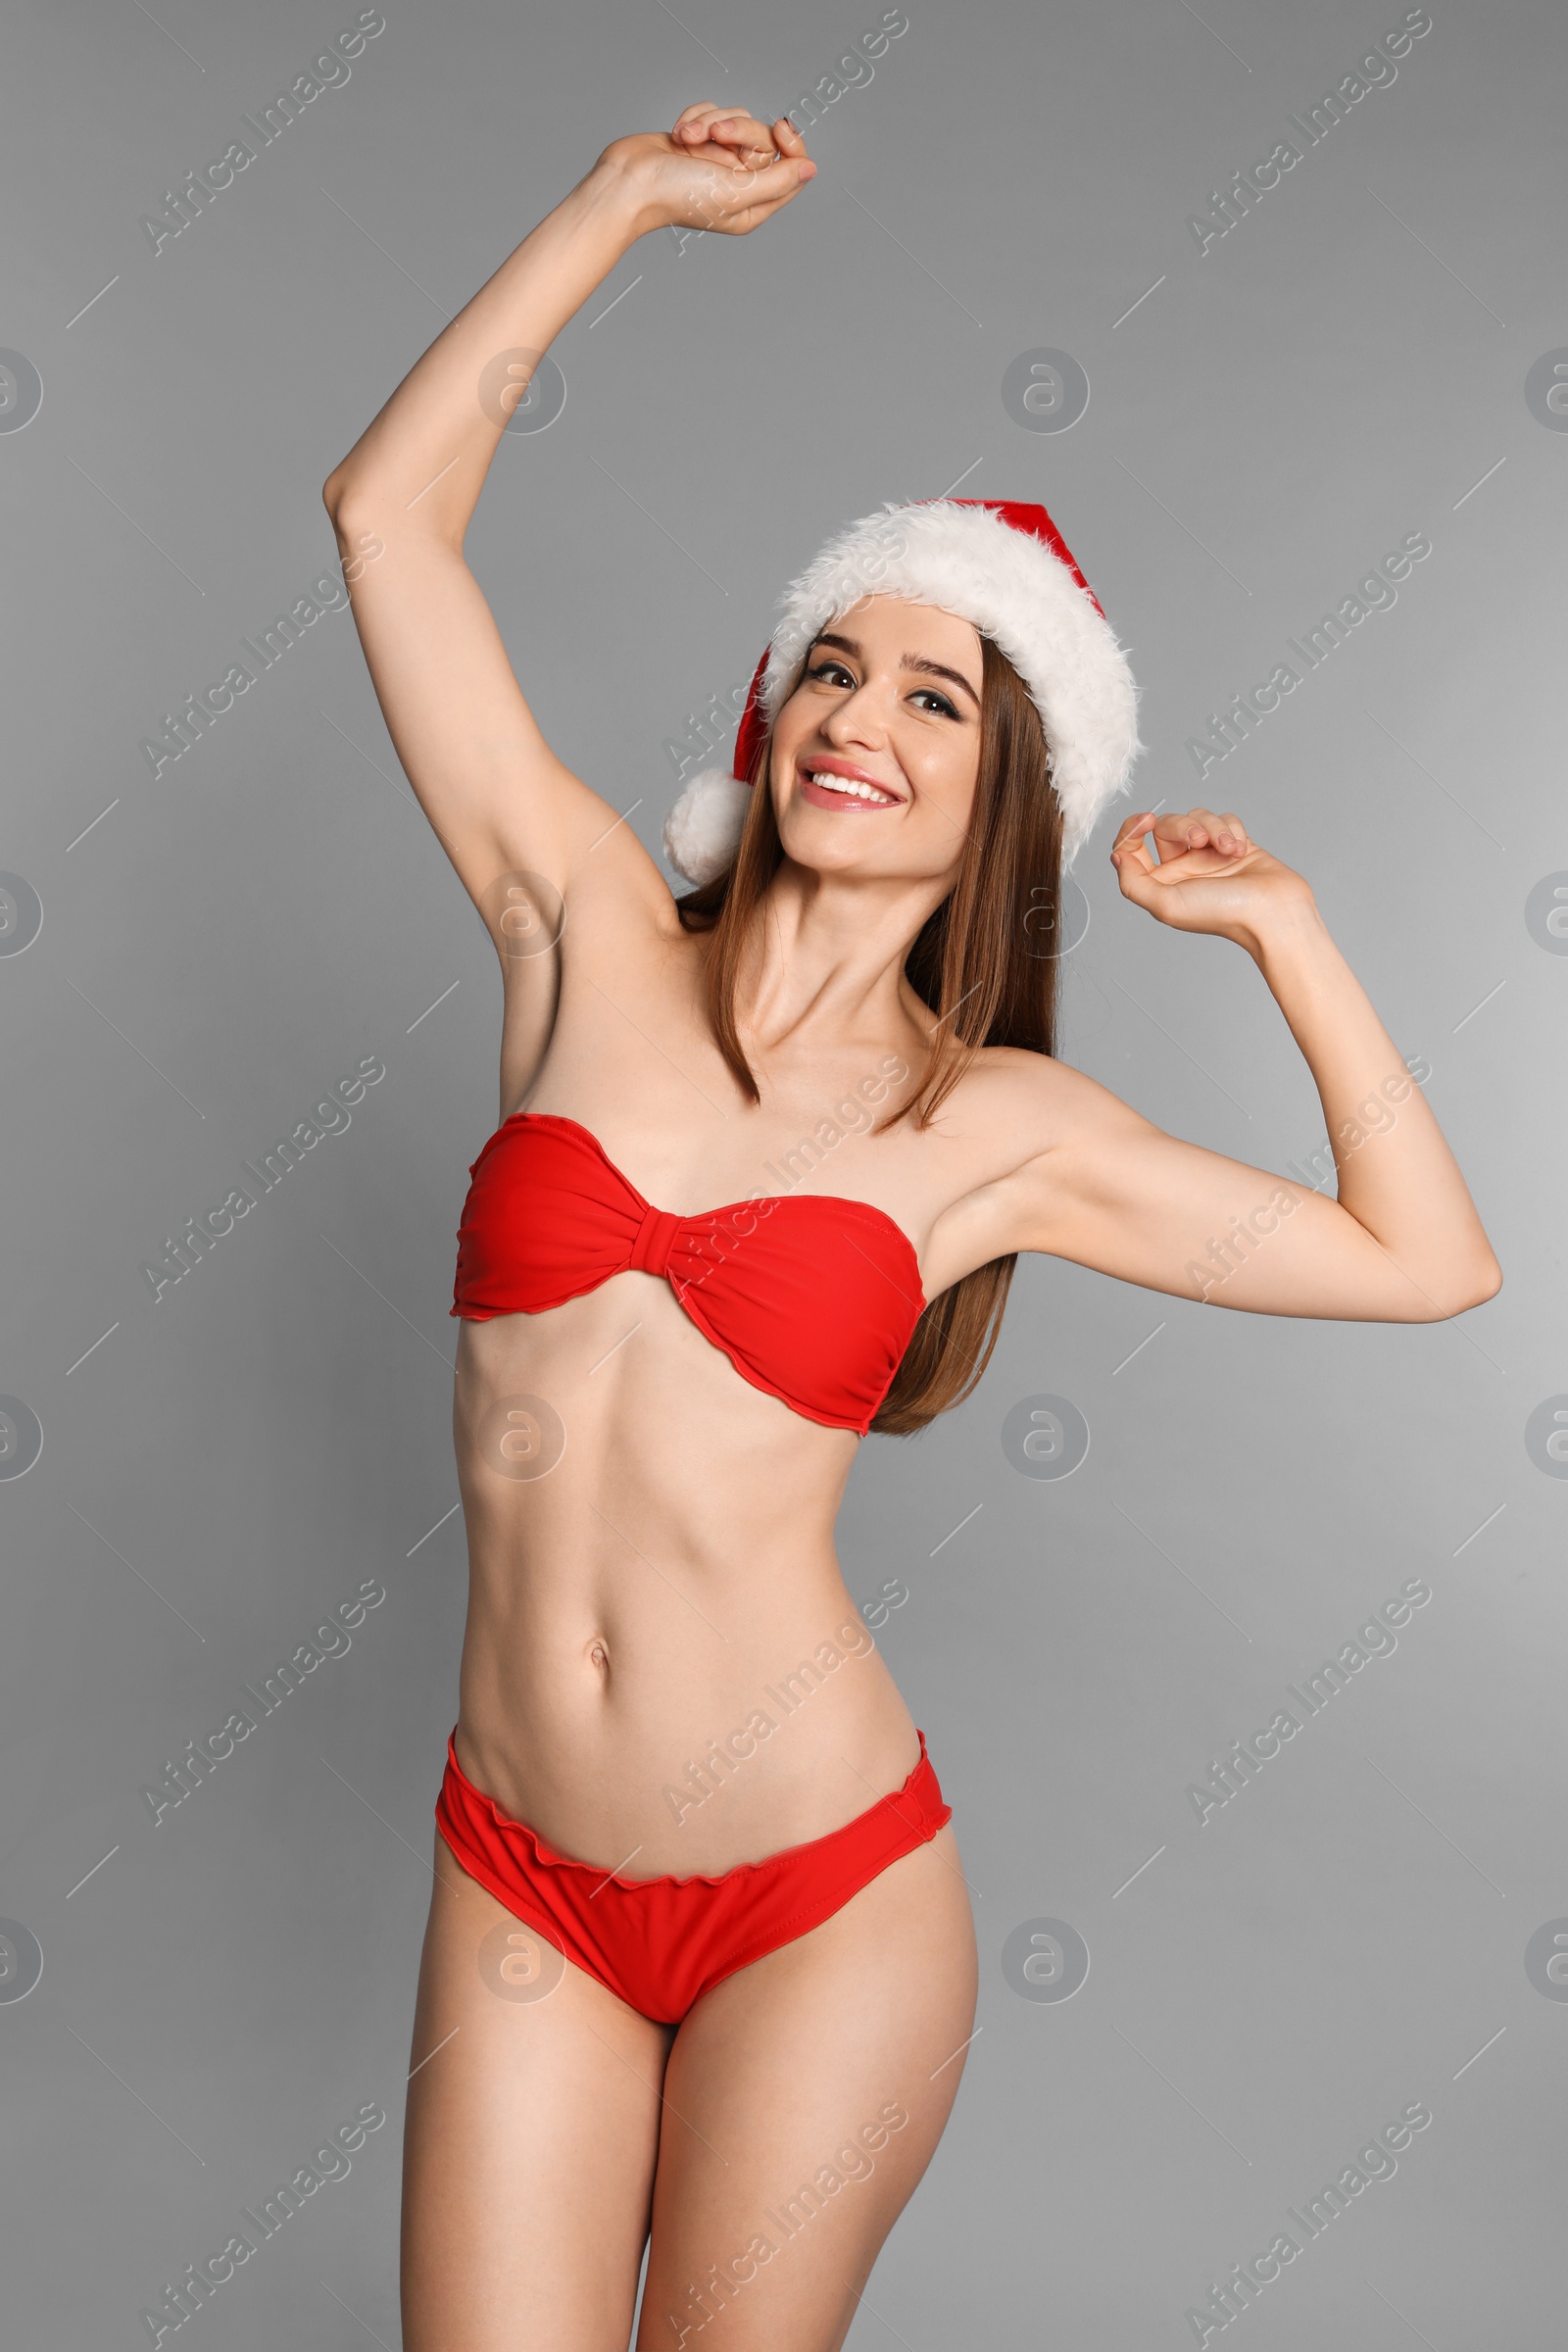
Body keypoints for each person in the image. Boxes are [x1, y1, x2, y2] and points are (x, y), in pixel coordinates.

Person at [322, 102, 1500, 2352]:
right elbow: (387, 522)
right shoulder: (575, 931)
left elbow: (1420, 1258)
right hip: (517, 1869)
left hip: (815, 1899)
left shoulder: (1002, 1129)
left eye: (936, 695)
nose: (862, 716)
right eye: (834, 665)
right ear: (773, 710)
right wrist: (614, 208)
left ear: (999, 793)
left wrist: (1289, 935)